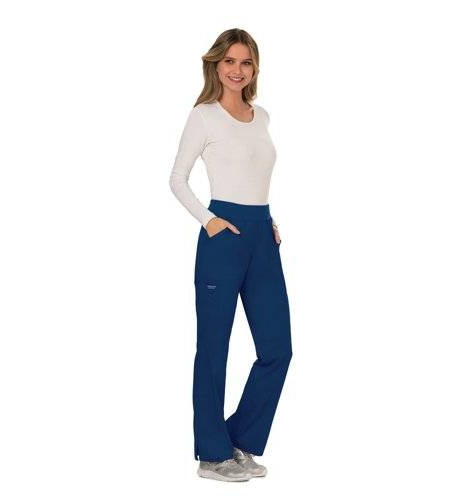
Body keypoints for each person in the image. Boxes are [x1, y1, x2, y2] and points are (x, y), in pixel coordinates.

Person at [169, 28, 293, 482]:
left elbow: (255, 174)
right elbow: (177, 178)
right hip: (223, 235)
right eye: (229, 61)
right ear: (216, 64)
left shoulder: (262, 117)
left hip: (262, 237)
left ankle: (236, 440)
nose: (237, 70)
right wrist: (209, 220)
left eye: (245, 62)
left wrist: (268, 219)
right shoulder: (203, 116)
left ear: (254, 68)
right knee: (213, 348)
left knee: (277, 349)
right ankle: (212, 455)